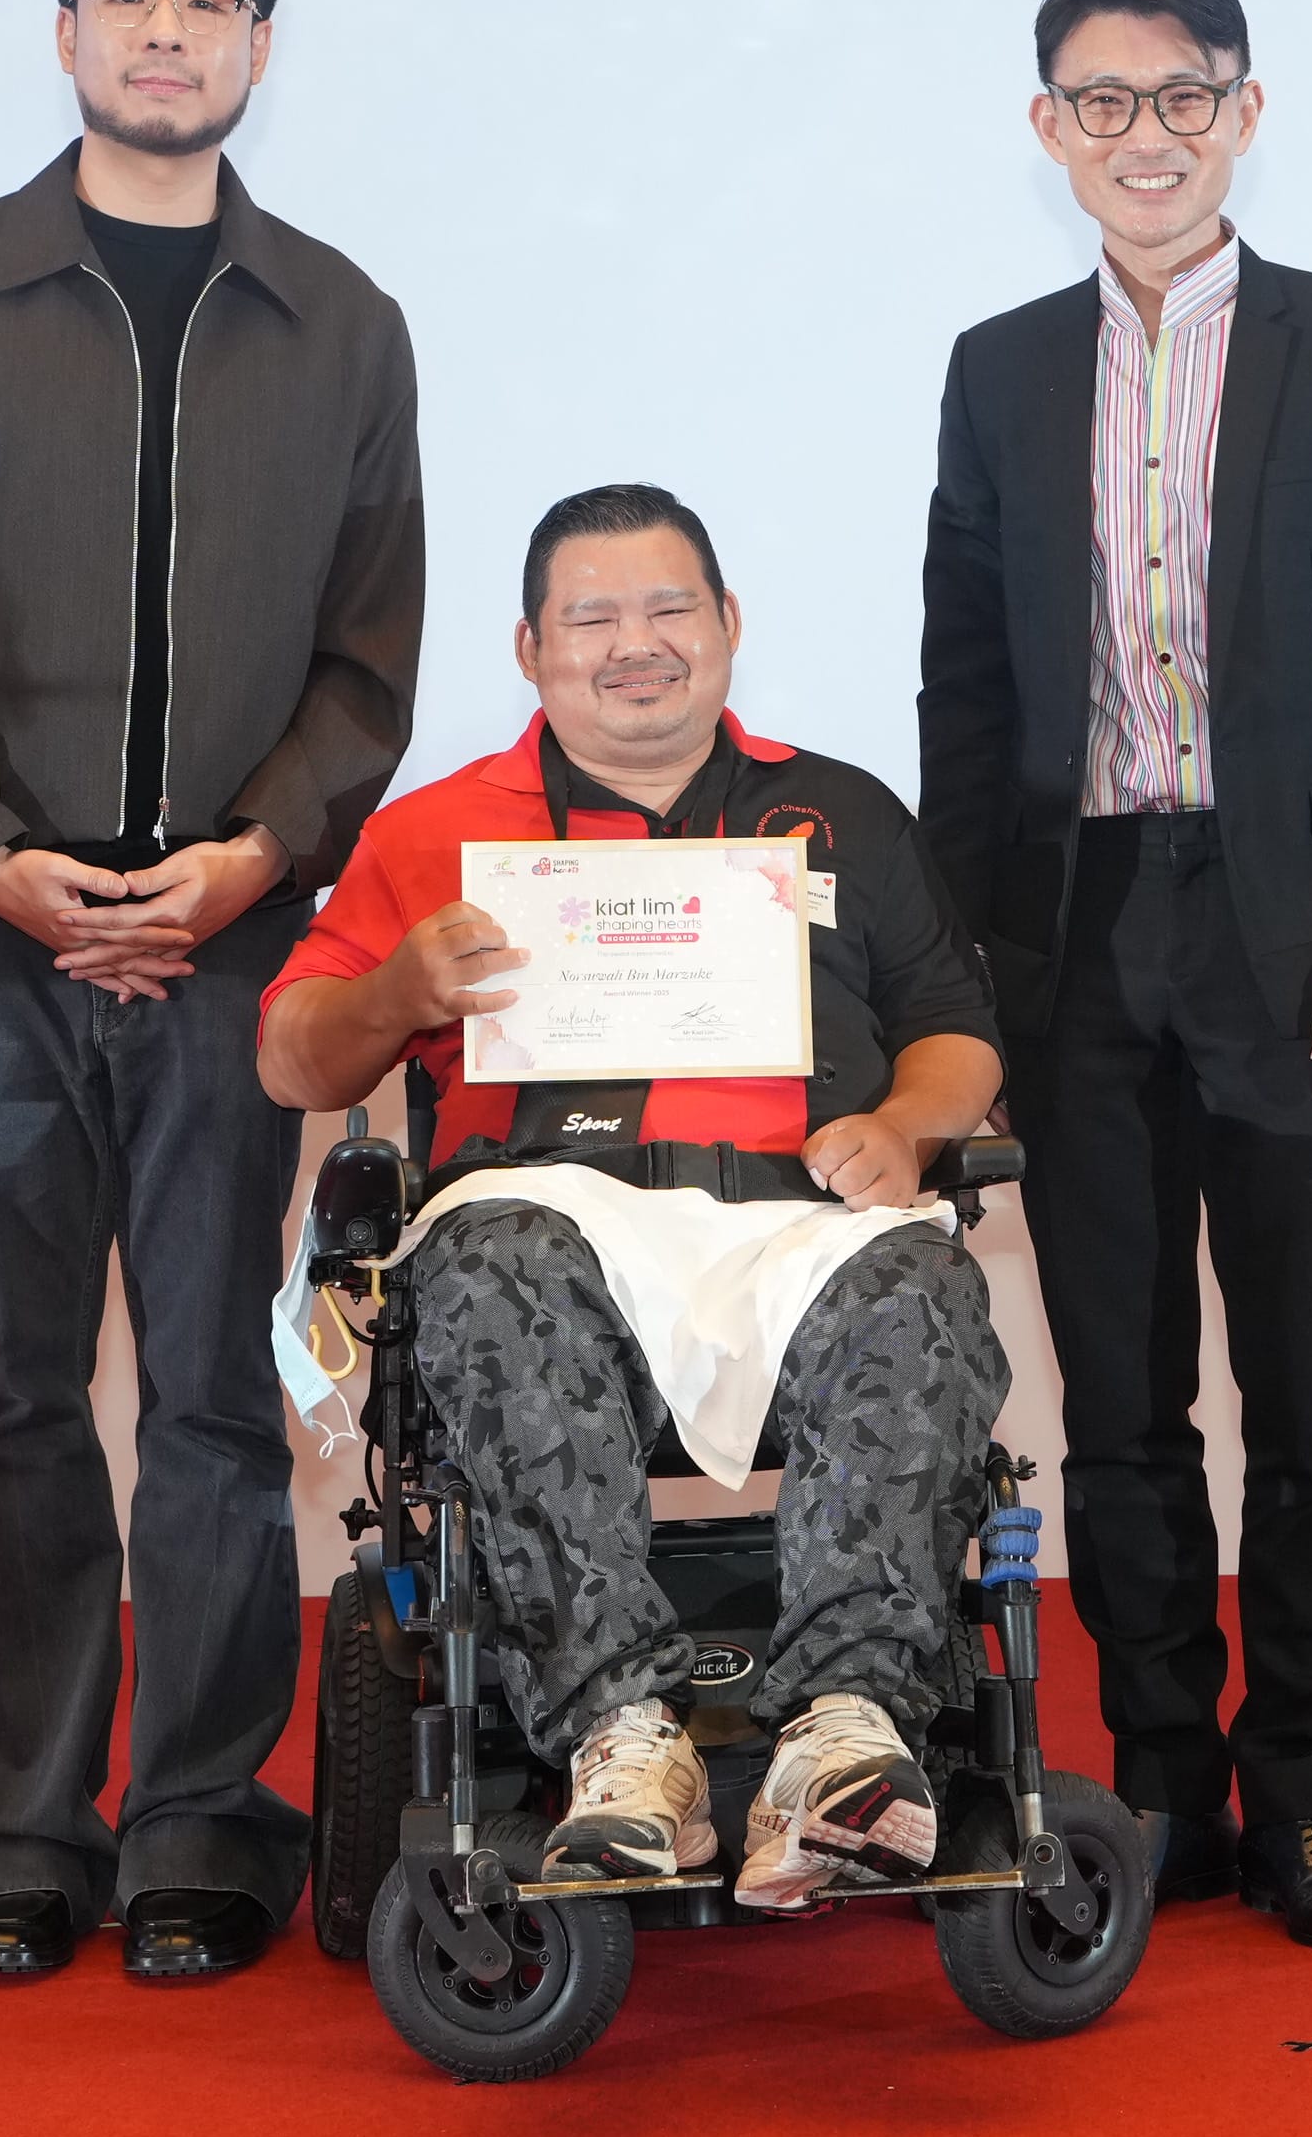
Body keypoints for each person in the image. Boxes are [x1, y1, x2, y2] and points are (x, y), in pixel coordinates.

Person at [0, 0, 423, 1987]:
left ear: (263, 41)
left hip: (238, 947)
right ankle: (12, 1833)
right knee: (14, 1396)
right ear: (64, 29)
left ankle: (192, 1824)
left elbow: (368, 659)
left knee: (223, 1406)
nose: (168, 31)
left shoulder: (341, 324)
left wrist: (253, 861)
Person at [919, 0, 1312, 1957]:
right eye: (1099, 103)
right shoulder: (997, 369)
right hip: (1077, 940)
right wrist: (964, 977)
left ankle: (1306, 1800)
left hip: (1291, 934)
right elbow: (964, 695)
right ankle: (1159, 1781)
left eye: (1179, 99)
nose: (1139, 139)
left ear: (1245, 110)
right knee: (1125, 1403)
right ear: (1048, 129)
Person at [261, 484, 1010, 1907]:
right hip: (554, 1219)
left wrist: (909, 1128)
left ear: (728, 628)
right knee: (489, 1264)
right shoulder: (435, 831)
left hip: (804, 1217)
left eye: (670, 610)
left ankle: (842, 1740)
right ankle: (623, 1742)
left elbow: (957, 1031)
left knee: (918, 1283)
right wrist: (397, 991)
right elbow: (290, 1054)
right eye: (592, 618)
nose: (635, 646)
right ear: (532, 646)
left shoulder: (840, 809)